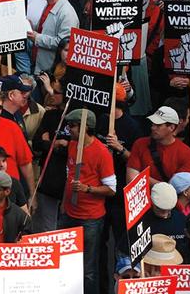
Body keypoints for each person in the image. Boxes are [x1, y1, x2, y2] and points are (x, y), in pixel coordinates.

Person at [60, 108, 116, 294]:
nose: (68, 129)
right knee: (65, 262)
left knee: (88, 269)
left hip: (90, 218)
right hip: (68, 213)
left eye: (72, 126)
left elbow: (111, 189)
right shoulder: (73, 145)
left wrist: (87, 189)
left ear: (85, 127)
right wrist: (64, 206)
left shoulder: (102, 153)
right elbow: (68, 175)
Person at [127, 106, 190, 184]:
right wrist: (164, 186)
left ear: (171, 127)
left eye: (158, 125)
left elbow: (180, 186)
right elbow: (131, 179)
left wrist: (142, 177)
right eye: (153, 124)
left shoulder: (187, 154)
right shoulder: (140, 144)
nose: (153, 128)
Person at [29, 0, 79, 75]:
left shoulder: (67, 14)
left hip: (50, 73)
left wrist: (37, 38)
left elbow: (63, 44)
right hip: (39, 64)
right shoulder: (50, 4)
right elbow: (44, 29)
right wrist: (31, 27)